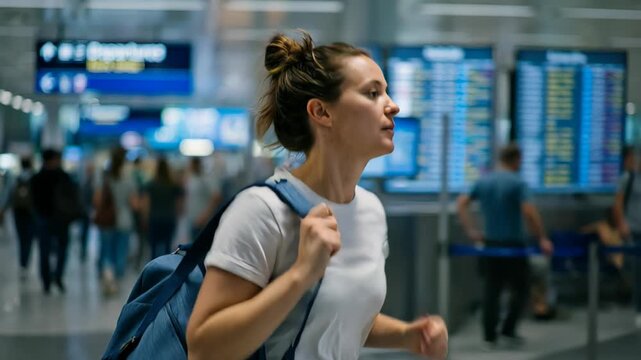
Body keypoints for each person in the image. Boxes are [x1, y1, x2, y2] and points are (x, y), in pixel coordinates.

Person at [186, 32, 448, 360]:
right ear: (322, 112)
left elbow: (333, 318)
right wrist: (301, 275)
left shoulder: (370, 211)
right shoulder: (262, 211)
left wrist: (406, 336)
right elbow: (203, 347)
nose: (392, 105)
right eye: (372, 93)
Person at [456, 144, 553, 348]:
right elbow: (529, 212)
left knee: (492, 290)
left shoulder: (484, 181)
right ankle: (508, 329)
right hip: (513, 246)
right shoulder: (517, 183)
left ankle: (489, 336)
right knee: (522, 288)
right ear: (517, 160)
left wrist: (471, 230)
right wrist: (542, 237)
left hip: (490, 244)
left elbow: (462, 202)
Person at [93, 147, 138, 295]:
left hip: (107, 220)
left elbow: (97, 200)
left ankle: (107, 275)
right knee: (120, 253)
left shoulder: (104, 178)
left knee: (106, 251)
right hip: (124, 220)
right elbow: (134, 203)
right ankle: (116, 281)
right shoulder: (128, 180)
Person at [30, 149, 75, 294]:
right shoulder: (63, 176)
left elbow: (33, 200)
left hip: (43, 218)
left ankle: (46, 281)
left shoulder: (37, 178)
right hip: (61, 219)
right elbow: (71, 197)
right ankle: (58, 276)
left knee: (44, 251)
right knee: (62, 249)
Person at [613, 145, 641, 326]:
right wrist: (622, 224)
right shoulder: (628, 179)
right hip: (635, 231)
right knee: (639, 271)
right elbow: (618, 204)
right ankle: (639, 309)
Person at [141, 156, 184, 259]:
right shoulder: (173, 185)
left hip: (154, 218)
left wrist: (145, 218)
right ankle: (164, 268)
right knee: (167, 246)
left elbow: (146, 204)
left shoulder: (151, 184)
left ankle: (154, 268)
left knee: (153, 247)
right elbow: (179, 203)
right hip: (169, 218)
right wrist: (176, 215)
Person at [0, 157, 36, 279]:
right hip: (31, 213)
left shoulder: (15, 179)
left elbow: (8, 194)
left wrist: (3, 208)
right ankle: (26, 262)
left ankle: (22, 263)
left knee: (21, 238)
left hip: (18, 212)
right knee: (29, 239)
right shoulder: (34, 178)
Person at [185, 157, 222, 241]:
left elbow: (216, 197)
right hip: (192, 219)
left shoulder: (206, 179)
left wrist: (205, 215)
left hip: (203, 221)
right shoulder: (192, 178)